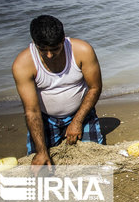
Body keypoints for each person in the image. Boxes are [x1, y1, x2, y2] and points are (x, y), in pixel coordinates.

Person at [12, 15, 105, 167]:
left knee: (94, 159)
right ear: (35, 44)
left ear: (63, 39)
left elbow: (95, 88)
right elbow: (32, 111)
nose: (49, 55)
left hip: (81, 112)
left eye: (54, 49)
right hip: (45, 118)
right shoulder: (23, 64)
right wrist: (41, 152)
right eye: (43, 50)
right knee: (40, 163)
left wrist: (77, 121)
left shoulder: (82, 50)